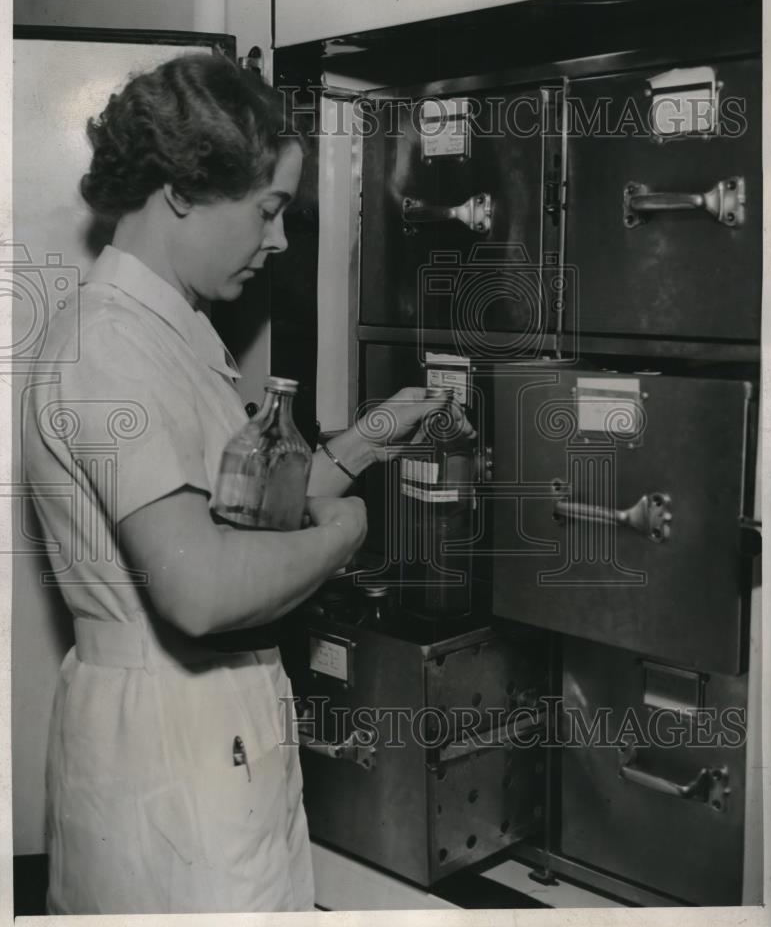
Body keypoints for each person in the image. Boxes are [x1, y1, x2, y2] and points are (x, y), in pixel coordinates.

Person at [22, 53, 473, 915]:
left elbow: (239, 517)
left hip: (196, 742)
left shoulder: (168, 331)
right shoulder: (110, 347)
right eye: (267, 211)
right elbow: (201, 587)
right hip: (170, 758)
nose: (279, 241)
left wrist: (368, 444)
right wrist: (346, 534)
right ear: (183, 191)